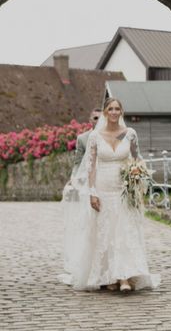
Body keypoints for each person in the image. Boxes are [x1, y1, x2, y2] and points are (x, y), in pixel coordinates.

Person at [60, 97, 160, 292]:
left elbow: (136, 159)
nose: (114, 112)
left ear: (121, 112)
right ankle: (108, 276)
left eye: (117, 109)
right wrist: (92, 193)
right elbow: (90, 166)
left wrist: (137, 179)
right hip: (103, 187)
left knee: (124, 230)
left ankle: (124, 277)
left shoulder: (129, 134)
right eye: (111, 109)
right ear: (105, 113)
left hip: (123, 189)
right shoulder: (95, 137)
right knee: (105, 231)